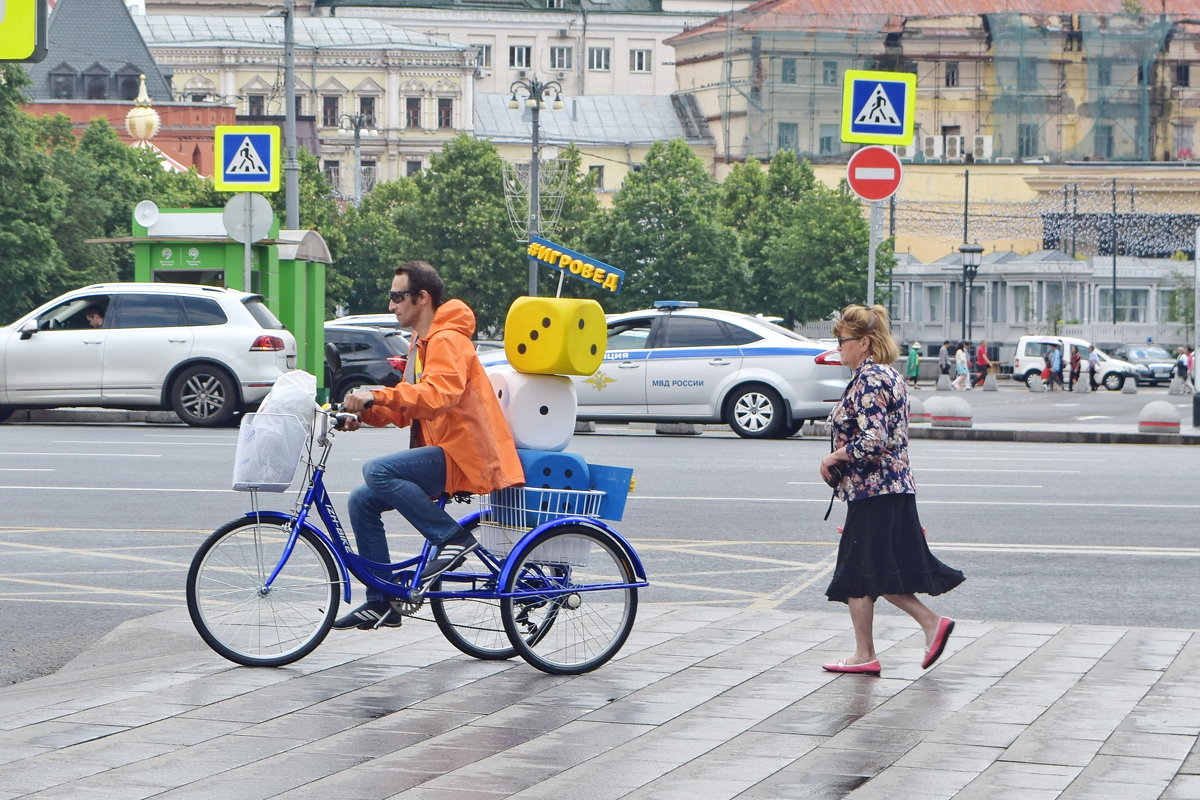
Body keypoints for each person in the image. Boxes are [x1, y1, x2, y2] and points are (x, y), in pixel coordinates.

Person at [335, 260, 524, 630]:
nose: (391, 305)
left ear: (422, 298)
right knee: (361, 499)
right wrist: (364, 415)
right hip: (445, 450)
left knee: (378, 470)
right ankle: (383, 601)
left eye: (397, 296)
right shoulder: (419, 345)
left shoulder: (448, 340)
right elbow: (409, 409)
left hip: (467, 453)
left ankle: (452, 539)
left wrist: (374, 393)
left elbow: (439, 394)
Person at [818, 304, 964, 675]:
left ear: (864, 343)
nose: (839, 349)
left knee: (858, 570)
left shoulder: (868, 379)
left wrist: (835, 457)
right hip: (890, 488)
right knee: (872, 570)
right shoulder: (889, 374)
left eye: (843, 342)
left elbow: (874, 439)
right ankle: (873, 649)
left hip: (875, 491)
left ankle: (920, 629)